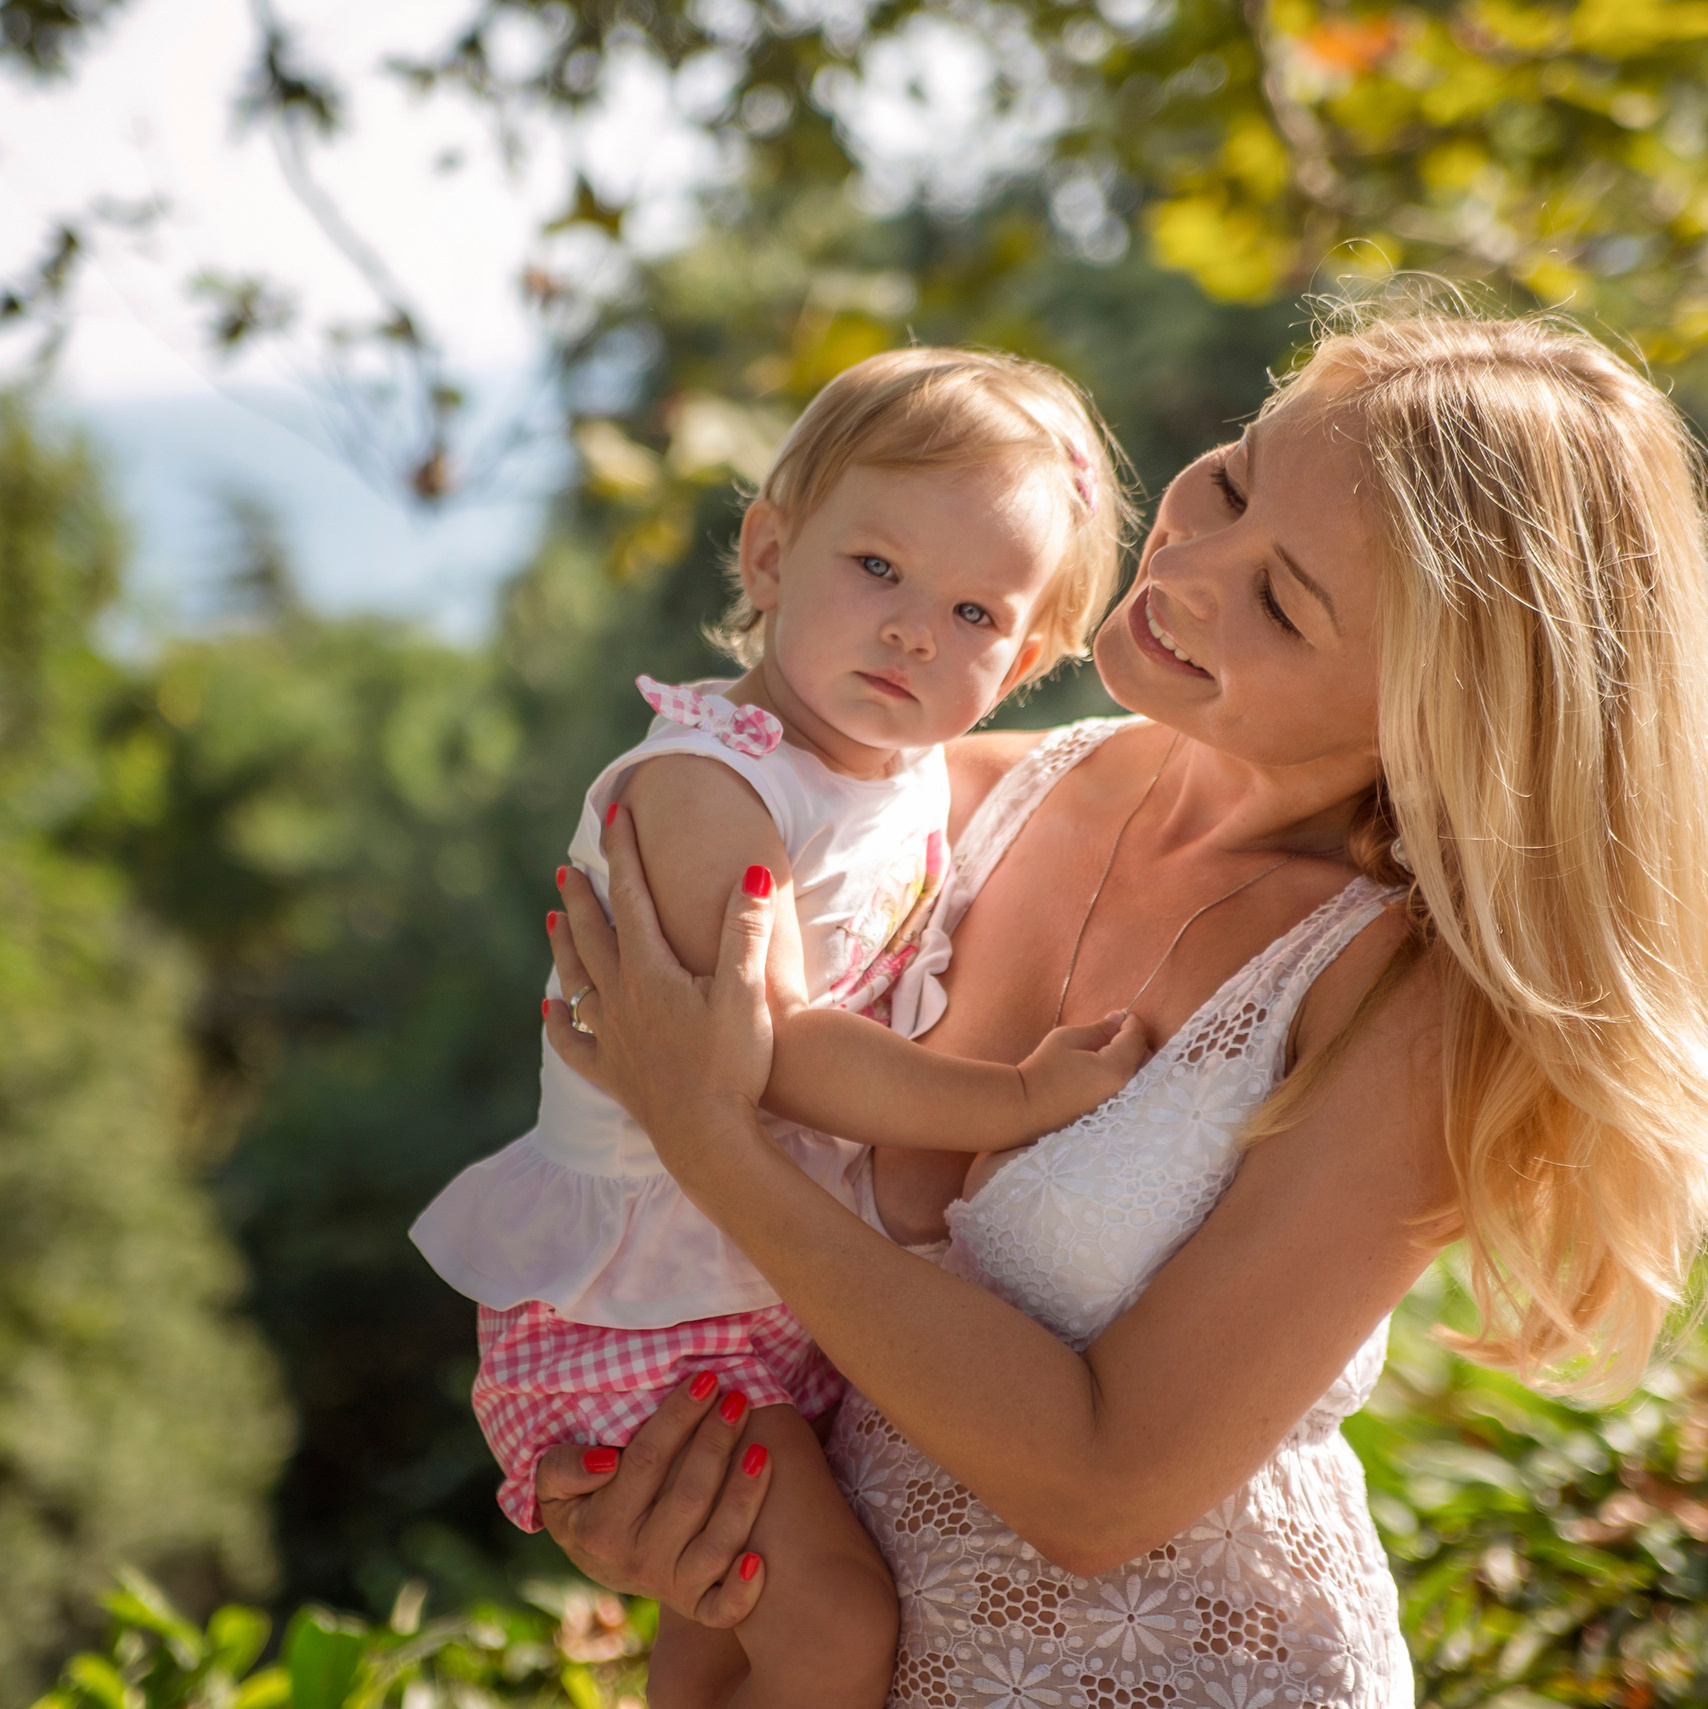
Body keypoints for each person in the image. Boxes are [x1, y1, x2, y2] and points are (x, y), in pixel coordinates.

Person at [534, 305, 1708, 1708]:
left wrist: (716, 1144)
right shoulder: (931, 799)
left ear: (1438, 707)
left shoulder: (1408, 999)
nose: (1188, 564)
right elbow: (648, 1222)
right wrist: (643, 1485)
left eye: (1282, 600)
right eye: (1226, 480)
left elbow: (1103, 1484)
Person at [411, 347, 1157, 1709]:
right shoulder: (710, 783)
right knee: (829, 1625)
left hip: (751, 1281)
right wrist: (1018, 1096)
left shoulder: (908, 767)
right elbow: (777, 1055)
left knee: (720, 1634)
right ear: (767, 551)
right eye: (875, 567)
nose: (914, 630)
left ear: (1027, 661)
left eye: (975, 609)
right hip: (647, 1299)